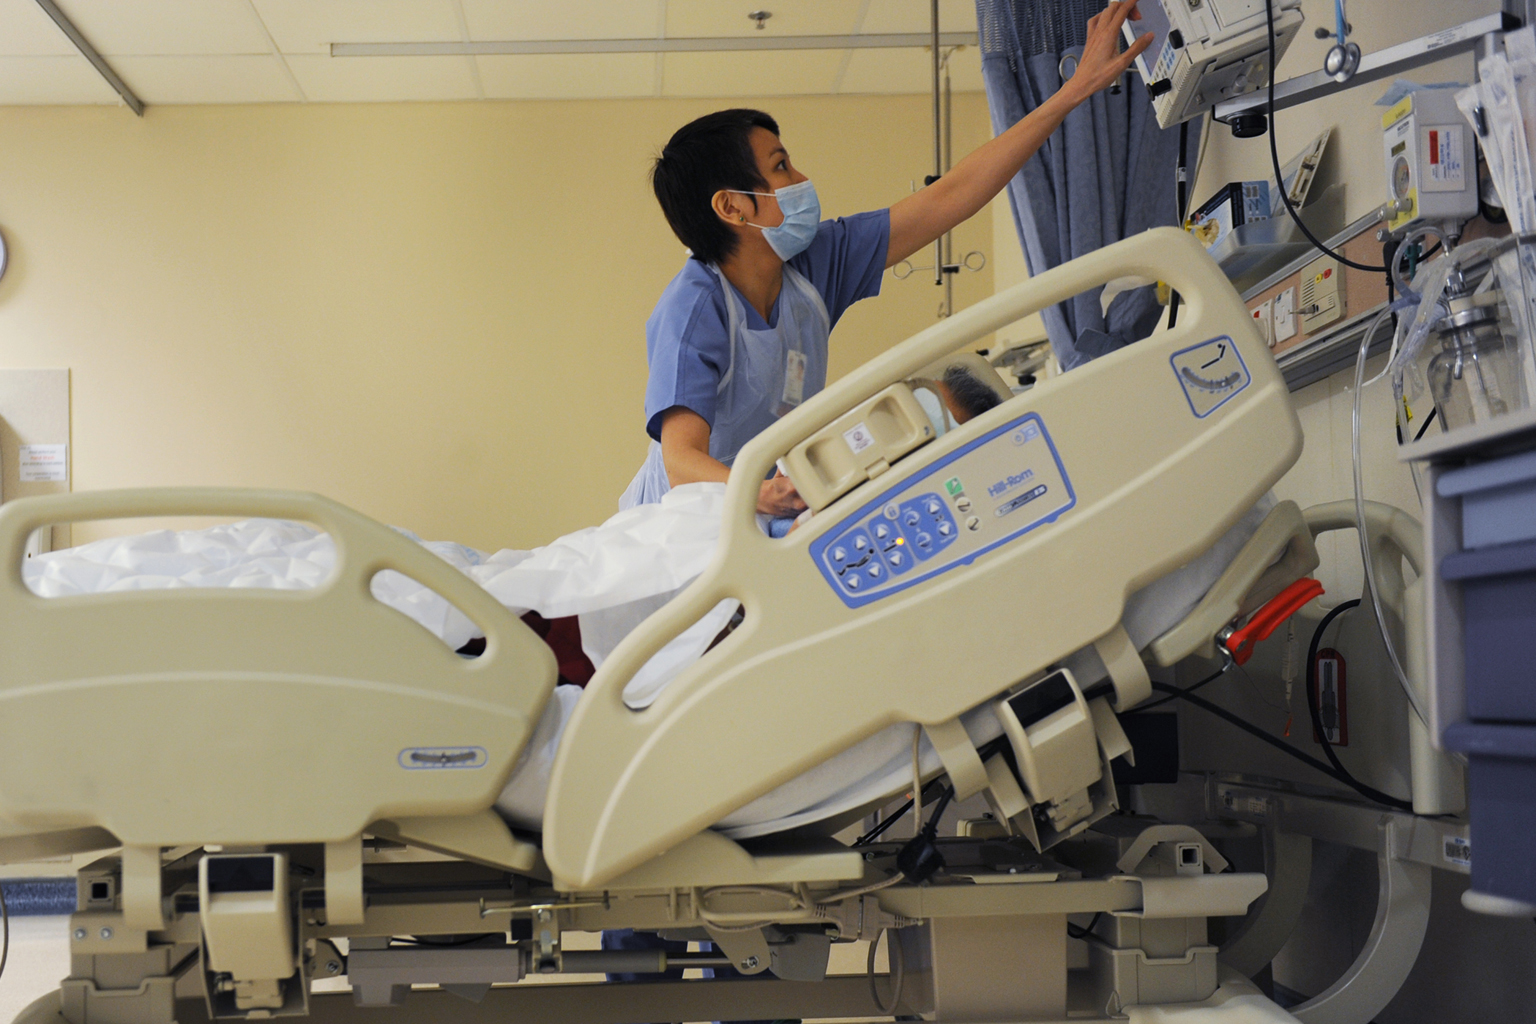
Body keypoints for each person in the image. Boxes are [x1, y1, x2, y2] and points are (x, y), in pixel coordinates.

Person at [619, 0, 1150, 515]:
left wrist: (1075, 90)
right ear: (732, 206)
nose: (802, 180)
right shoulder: (695, 307)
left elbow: (953, 194)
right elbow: (681, 461)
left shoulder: (812, 264)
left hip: (765, 503)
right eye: (782, 167)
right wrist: (758, 493)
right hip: (681, 518)